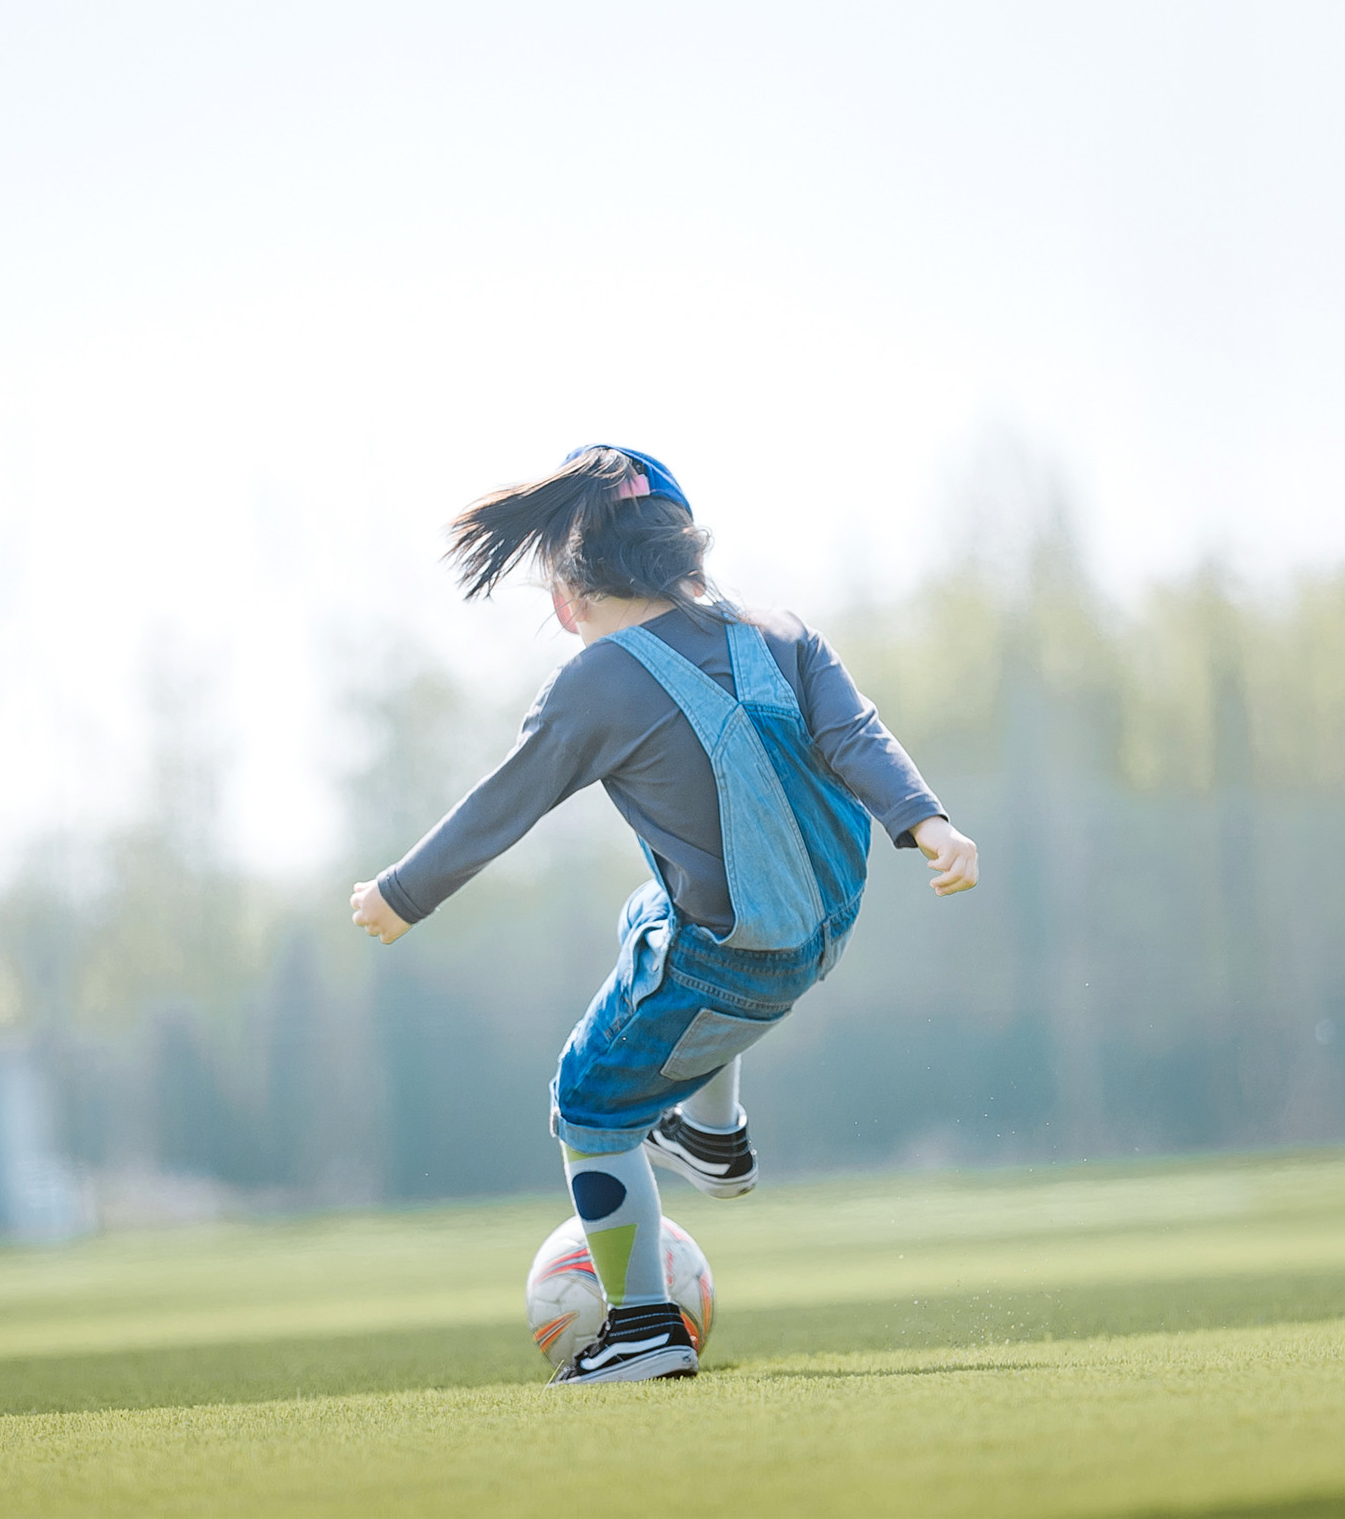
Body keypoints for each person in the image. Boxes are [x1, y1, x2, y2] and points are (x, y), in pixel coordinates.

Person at [351, 445, 979, 1386]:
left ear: (567, 597)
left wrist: (400, 895)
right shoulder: (780, 631)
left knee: (590, 1101)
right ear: (689, 550)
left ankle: (644, 1328)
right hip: (822, 927)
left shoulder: (596, 680)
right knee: (645, 913)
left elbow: (502, 804)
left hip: (728, 962)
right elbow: (857, 734)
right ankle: (712, 1137)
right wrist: (929, 824)